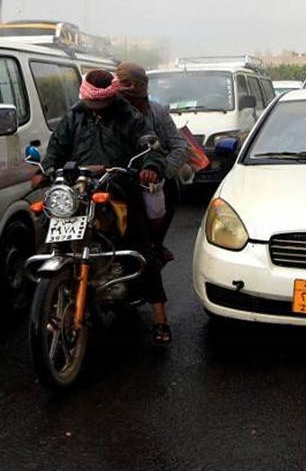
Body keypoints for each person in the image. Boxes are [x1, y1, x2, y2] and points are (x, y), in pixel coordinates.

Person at [31, 69, 173, 345]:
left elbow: (150, 146)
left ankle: (161, 319)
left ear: (111, 96)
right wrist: (46, 170)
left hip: (118, 187)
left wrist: (151, 166)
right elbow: (56, 149)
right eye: (91, 102)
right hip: (79, 188)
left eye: (100, 103)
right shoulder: (74, 116)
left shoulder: (129, 115)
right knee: (50, 231)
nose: (94, 107)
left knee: (140, 247)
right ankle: (55, 297)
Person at [116, 62, 192, 265]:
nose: (128, 91)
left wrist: (160, 171)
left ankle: (155, 245)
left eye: (132, 84)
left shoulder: (157, 112)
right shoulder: (103, 111)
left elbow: (179, 145)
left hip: (150, 175)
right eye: (123, 83)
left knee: (167, 194)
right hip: (115, 175)